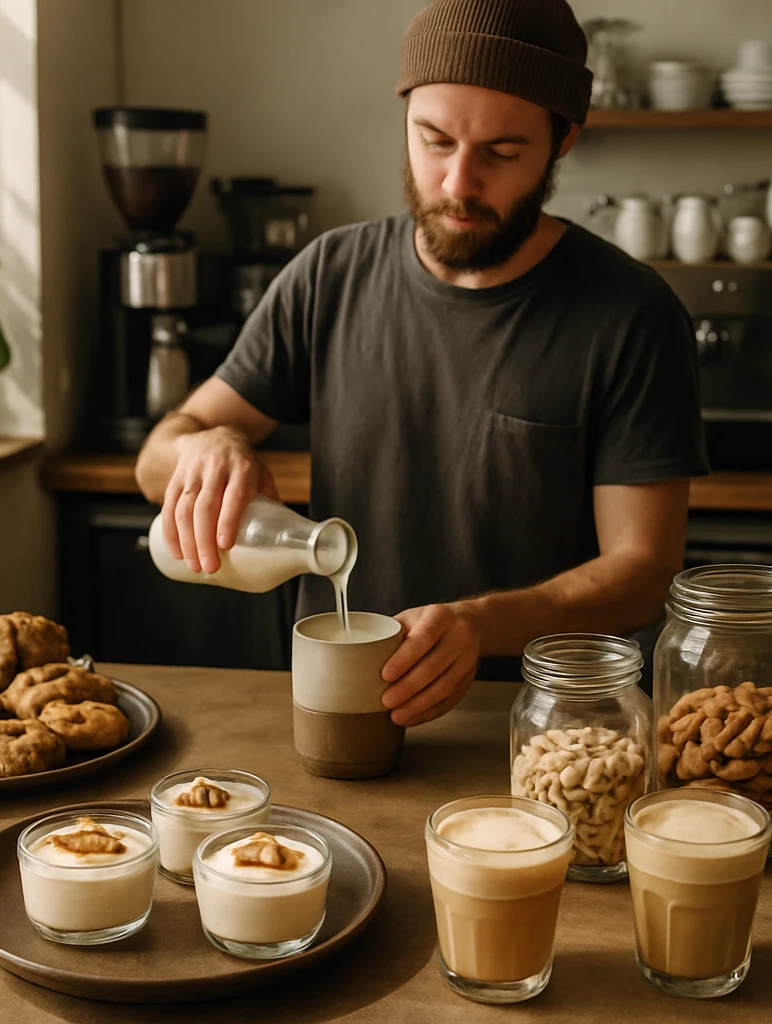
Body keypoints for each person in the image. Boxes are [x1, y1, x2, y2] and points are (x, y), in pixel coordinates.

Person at [136, 0, 709, 728]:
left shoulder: (631, 314)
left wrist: (480, 624)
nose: (458, 183)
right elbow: (154, 461)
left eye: (502, 153)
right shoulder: (329, 275)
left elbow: (644, 573)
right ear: (405, 116)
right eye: (434, 140)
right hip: (337, 719)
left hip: (547, 738)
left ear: (563, 139)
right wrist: (210, 442)